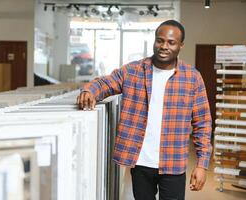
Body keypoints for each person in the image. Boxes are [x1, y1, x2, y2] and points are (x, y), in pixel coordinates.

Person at [77, 19, 212, 200]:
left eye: (171, 42)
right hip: (140, 161)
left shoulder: (192, 77)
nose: (164, 46)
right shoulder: (133, 71)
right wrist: (89, 90)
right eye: (160, 40)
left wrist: (202, 165)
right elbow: (105, 82)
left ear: (181, 45)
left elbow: (202, 123)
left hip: (173, 162)